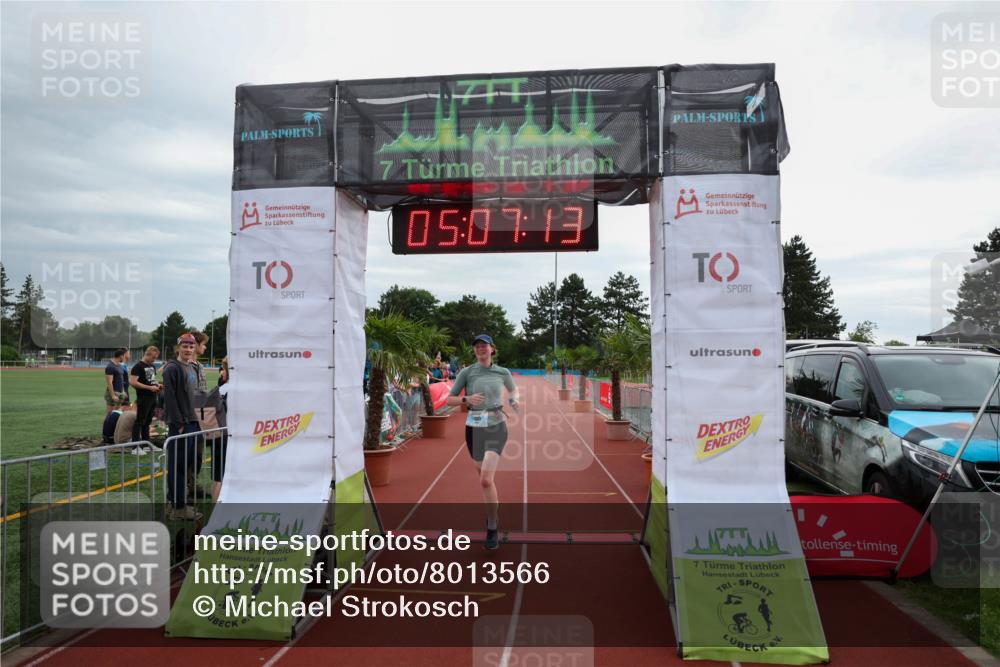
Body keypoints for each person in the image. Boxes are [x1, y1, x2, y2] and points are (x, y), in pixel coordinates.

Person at [445, 334, 520, 550]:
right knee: (484, 480)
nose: (480, 349)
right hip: (474, 428)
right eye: (477, 346)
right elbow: (449, 399)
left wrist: (514, 400)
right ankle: (493, 512)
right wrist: (465, 399)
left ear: (492, 349)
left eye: (484, 345)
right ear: (474, 351)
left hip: (496, 426)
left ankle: (492, 526)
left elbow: (513, 389)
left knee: (486, 480)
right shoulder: (467, 373)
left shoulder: (502, 372)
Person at [161, 333, 203, 520]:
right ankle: (178, 507)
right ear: (178, 348)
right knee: (177, 467)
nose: (188, 350)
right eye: (184, 346)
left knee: (184, 466)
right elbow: (169, 398)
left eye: (191, 347)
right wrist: (178, 424)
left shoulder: (191, 367)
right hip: (181, 424)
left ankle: (175, 504)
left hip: (193, 422)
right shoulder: (172, 368)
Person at [207, 357, 229, 503]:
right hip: (230, 437)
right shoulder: (243, 390)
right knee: (221, 478)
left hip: (219, 435)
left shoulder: (219, 390)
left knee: (218, 478)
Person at [129, 346, 162, 448]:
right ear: (147, 354)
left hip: (153, 396)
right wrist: (149, 388)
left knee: (147, 422)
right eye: (153, 357)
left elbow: (151, 379)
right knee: (139, 421)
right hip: (143, 397)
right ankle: (135, 447)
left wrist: (157, 385)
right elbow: (133, 382)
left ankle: (146, 444)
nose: (154, 360)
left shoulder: (152, 366)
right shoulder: (138, 366)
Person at [104, 348, 129, 414]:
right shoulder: (110, 366)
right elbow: (109, 382)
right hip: (113, 393)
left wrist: (123, 391)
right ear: (121, 356)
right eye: (124, 356)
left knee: (116, 413)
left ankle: (113, 424)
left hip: (120, 393)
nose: (124, 358)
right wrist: (112, 395)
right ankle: (106, 424)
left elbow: (121, 380)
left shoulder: (119, 366)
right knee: (109, 413)